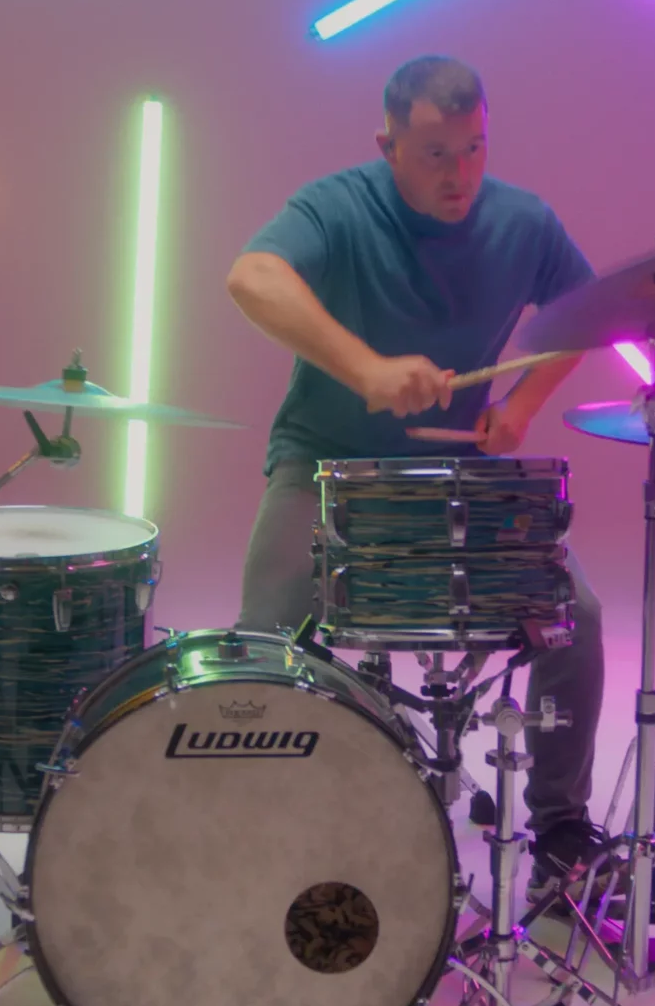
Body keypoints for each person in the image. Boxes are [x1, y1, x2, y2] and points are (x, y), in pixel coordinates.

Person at [225, 55, 606, 895]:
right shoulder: (337, 205)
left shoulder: (524, 221)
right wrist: (364, 368)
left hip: (453, 474)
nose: (460, 174)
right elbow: (251, 277)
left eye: (473, 150)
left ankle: (561, 825)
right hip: (325, 464)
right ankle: (262, 825)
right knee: (266, 635)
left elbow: (588, 310)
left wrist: (521, 407)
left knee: (574, 613)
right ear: (387, 144)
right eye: (435, 154)